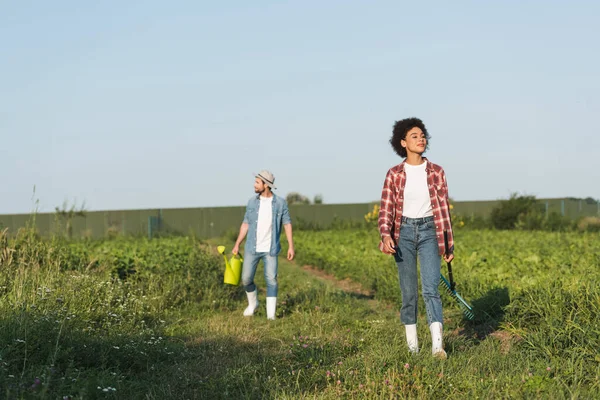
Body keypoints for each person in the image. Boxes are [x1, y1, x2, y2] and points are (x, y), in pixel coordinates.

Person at [378, 117, 454, 359]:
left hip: (431, 231)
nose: (421, 139)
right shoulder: (394, 174)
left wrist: (448, 243)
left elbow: (444, 211)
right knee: (408, 292)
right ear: (403, 142)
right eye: (414, 136)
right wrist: (385, 235)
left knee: (431, 289)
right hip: (404, 233)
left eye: (423, 135)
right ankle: (413, 349)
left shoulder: (437, 172)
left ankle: (437, 347)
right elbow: (386, 209)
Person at [232, 170, 295, 320]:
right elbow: (245, 224)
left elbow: (287, 224)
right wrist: (237, 244)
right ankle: (253, 304)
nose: (254, 185)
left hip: (270, 249)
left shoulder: (280, 203)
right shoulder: (251, 202)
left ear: (266, 185)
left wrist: (291, 246)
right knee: (246, 279)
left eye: (257, 182)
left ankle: (271, 317)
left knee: (271, 280)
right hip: (252, 248)